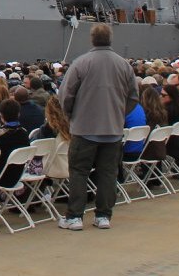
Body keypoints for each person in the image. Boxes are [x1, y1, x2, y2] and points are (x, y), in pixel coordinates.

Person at [56, 23, 137, 232]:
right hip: (113, 130)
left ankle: (74, 217)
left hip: (84, 129)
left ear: (92, 39)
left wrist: (72, 115)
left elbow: (65, 95)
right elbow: (133, 97)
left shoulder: (81, 63)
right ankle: (103, 216)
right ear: (110, 39)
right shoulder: (124, 65)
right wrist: (118, 114)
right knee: (108, 174)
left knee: (78, 172)